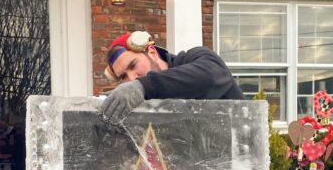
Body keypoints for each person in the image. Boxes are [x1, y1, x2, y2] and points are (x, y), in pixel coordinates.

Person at [99, 30, 243, 124]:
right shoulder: (147, 103)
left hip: (241, 166)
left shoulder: (197, 58)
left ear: (152, 52)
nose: (131, 78)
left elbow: (210, 76)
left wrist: (143, 85)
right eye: (123, 77)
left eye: (133, 65)